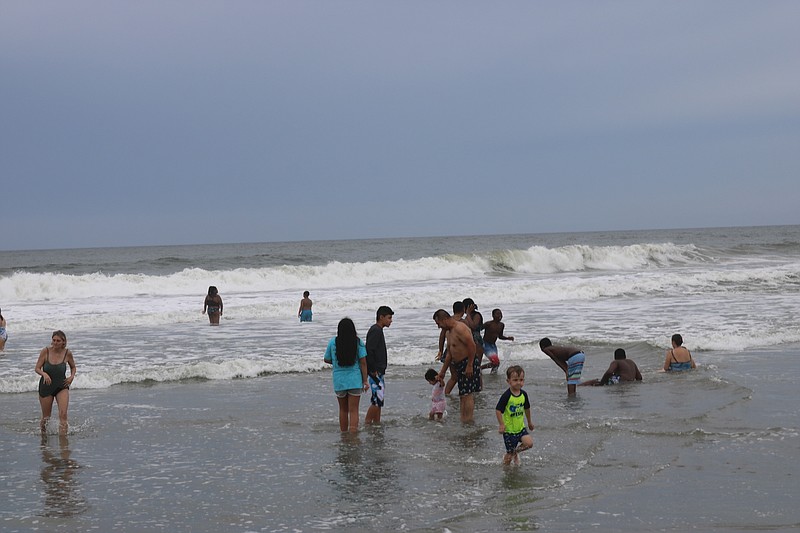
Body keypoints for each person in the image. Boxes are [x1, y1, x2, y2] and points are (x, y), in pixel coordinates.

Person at [323, 318, 369, 432]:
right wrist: (365, 381)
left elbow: (326, 359)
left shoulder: (333, 342)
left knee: (343, 410)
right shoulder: (358, 342)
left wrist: (335, 362)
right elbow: (363, 362)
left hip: (339, 381)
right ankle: (353, 436)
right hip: (354, 379)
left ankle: (344, 434)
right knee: (354, 410)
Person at [434, 309, 479, 423]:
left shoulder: (460, 328)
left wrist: (469, 365)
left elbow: (472, 346)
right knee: (462, 394)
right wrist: (443, 372)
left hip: (468, 362)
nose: (438, 327)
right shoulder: (449, 332)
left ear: (444, 319)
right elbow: (449, 353)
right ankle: (464, 419)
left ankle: (468, 420)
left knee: (467, 394)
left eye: (438, 323)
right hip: (459, 364)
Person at [35, 330, 77, 435]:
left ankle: (63, 441)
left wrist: (71, 377)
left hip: (62, 385)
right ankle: (43, 437)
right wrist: (44, 374)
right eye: (54, 340)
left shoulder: (67, 353)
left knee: (63, 415)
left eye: (58, 341)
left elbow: (73, 367)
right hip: (46, 386)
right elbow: (37, 368)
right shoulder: (45, 351)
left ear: (63, 342)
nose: (55, 343)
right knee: (46, 418)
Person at [495, 365, 534, 465]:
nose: (518, 382)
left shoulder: (524, 394)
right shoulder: (507, 396)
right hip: (509, 431)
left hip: (520, 428)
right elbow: (498, 410)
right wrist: (501, 424)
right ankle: (506, 471)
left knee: (529, 443)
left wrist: (529, 422)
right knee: (509, 458)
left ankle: (516, 452)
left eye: (521, 380)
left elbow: (527, 408)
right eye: (515, 380)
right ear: (508, 381)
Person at [365, 305, 394, 425]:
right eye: (389, 318)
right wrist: (372, 370)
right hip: (375, 371)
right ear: (381, 317)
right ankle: (367, 422)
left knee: (379, 399)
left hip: (379, 370)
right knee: (377, 399)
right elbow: (369, 351)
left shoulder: (378, 330)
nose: (390, 320)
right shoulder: (375, 330)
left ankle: (377, 422)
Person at [437, 301, 465, 395]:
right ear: (463, 310)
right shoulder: (462, 322)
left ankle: (446, 393)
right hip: (460, 352)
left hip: (449, 350)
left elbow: (442, 336)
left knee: (454, 377)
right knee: (461, 377)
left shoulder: (449, 321)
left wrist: (440, 350)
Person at [481, 308, 514, 373]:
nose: (500, 315)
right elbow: (478, 329)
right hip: (485, 344)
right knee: (495, 362)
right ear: (493, 315)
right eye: (498, 314)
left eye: (501, 314)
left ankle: (493, 377)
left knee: (496, 364)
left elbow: (500, 336)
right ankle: (480, 368)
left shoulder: (501, 325)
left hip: (493, 345)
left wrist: (507, 338)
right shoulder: (488, 324)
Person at [462, 298, 484, 362]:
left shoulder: (477, 315)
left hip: (476, 340)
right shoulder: (468, 316)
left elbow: (473, 326)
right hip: (470, 339)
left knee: (477, 361)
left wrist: (468, 313)